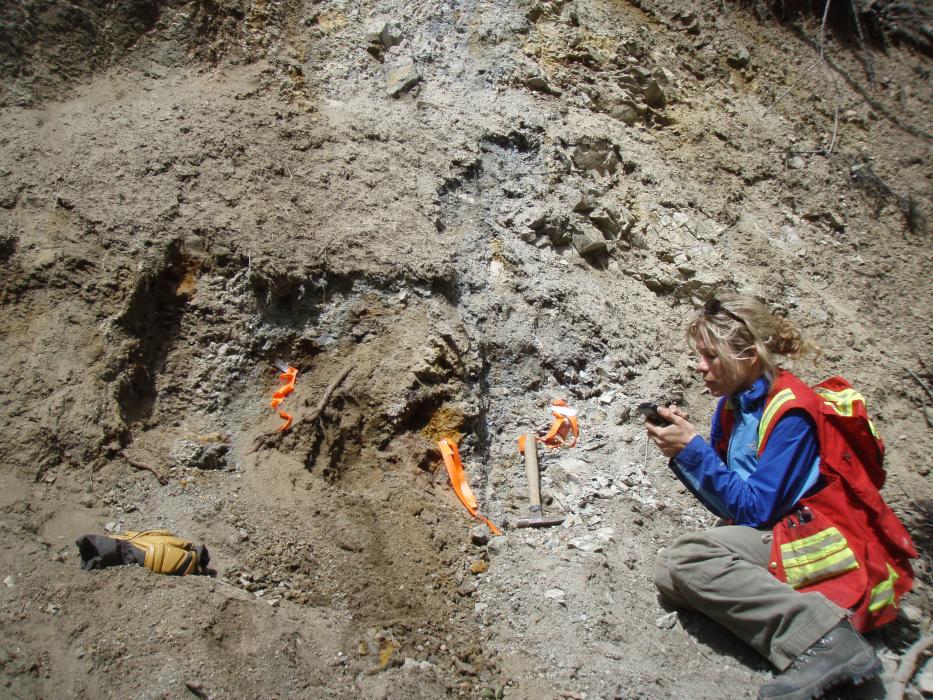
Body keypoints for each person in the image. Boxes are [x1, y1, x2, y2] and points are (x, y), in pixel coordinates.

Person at [646, 294, 895, 700]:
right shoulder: (734, 406)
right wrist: (687, 452)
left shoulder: (792, 411)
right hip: (773, 528)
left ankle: (828, 641)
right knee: (669, 575)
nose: (699, 366)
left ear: (747, 354)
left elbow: (756, 508)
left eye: (710, 356)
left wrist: (692, 449)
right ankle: (798, 627)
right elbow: (734, 501)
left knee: (688, 559)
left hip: (811, 534)